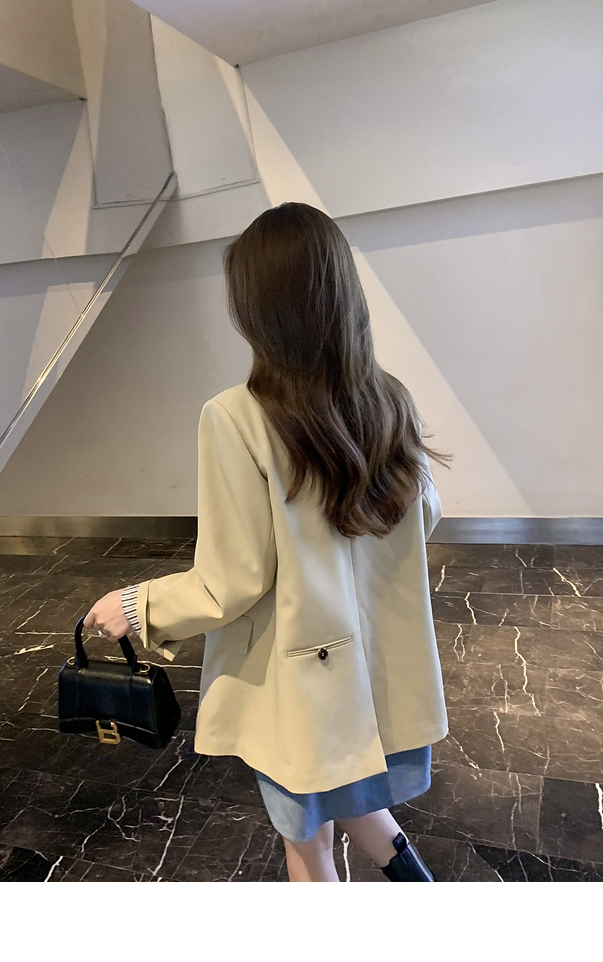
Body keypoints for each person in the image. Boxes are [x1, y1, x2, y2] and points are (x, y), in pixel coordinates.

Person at [85, 202, 451, 883]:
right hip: (378, 669)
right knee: (347, 794)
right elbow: (423, 516)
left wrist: (135, 607)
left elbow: (232, 578)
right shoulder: (389, 398)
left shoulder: (236, 416)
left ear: (256, 309)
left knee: (307, 842)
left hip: (299, 681)